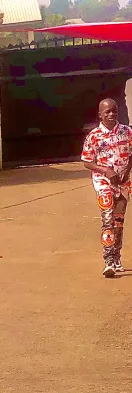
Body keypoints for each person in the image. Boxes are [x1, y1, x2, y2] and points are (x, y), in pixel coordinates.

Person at [81, 98, 132, 278]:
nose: (111, 114)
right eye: (107, 111)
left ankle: (117, 258)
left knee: (119, 221)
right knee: (108, 220)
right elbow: (87, 161)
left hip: (124, 184)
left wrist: (127, 169)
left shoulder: (127, 132)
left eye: (114, 110)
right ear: (100, 115)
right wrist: (106, 171)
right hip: (103, 184)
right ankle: (108, 261)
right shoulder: (94, 136)